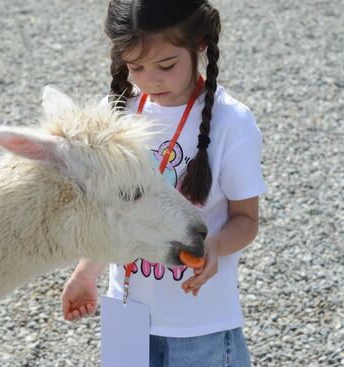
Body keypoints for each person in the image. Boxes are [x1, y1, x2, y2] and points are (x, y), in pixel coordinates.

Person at [61, 0, 267, 365]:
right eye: (135, 66)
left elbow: (246, 220)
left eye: (166, 65)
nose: (149, 79)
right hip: (127, 313)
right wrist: (86, 272)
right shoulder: (119, 112)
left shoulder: (231, 122)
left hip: (199, 323)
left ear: (199, 43)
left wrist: (215, 248)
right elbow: (116, 214)